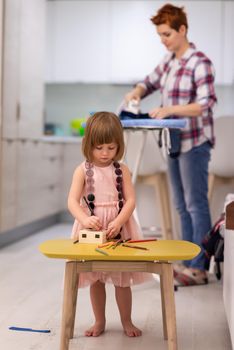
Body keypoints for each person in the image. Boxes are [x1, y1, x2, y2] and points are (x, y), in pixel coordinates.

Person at [124, 3, 217, 286]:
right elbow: (150, 81)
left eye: (166, 34)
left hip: (195, 142)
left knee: (195, 204)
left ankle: (199, 268)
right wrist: (137, 91)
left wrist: (170, 109)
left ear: (182, 30)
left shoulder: (200, 62)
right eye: (160, 35)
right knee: (180, 205)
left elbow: (206, 104)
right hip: (173, 142)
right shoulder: (169, 61)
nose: (163, 40)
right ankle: (188, 262)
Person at [68, 111, 150, 337]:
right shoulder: (82, 170)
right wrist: (84, 219)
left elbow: (131, 200)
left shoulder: (121, 169)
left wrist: (118, 220)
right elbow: (72, 202)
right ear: (88, 145)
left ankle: (127, 321)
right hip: (91, 229)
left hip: (119, 228)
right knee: (96, 279)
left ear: (119, 146)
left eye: (111, 148)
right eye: (99, 147)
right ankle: (99, 321)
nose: (105, 153)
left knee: (122, 280)